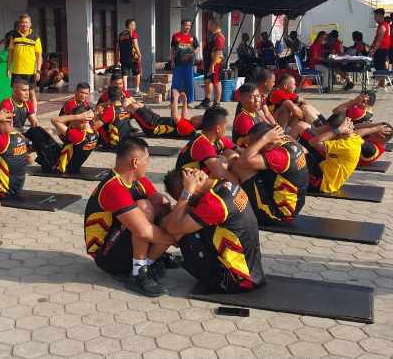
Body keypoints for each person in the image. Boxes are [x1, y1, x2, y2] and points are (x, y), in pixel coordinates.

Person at [83, 138, 175, 296]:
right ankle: (138, 273)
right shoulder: (113, 187)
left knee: (161, 203)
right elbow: (143, 231)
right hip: (106, 255)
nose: (148, 163)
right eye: (147, 159)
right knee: (143, 208)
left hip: (121, 236)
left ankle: (152, 258)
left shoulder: (139, 181)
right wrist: (176, 238)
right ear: (135, 162)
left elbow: (162, 205)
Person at [162, 168, 265, 292]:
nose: (196, 170)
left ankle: (148, 263)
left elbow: (172, 227)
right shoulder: (226, 184)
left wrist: (185, 195)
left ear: (191, 188)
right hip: (253, 273)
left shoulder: (214, 203)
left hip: (234, 280)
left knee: (173, 225)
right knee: (182, 215)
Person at [232, 123, 308, 225]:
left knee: (239, 167)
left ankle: (232, 202)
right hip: (293, 206)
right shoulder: (286, 141)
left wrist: (264, 139)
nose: (251, 147)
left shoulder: (280, 156)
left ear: (268, 142)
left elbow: (243, 162)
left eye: (256, 145)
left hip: (279, 214)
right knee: (240, 157)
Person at [27, 106, 99, 174]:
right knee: (43, 133)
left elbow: (54, 120)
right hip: (71, 166)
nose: (71, 123)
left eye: (73, 120)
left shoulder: (79, 136)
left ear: (83, 120)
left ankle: (23, 153)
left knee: (35, 131)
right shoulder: (95, 133)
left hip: (56, 167)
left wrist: (77, 116)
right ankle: (28, 150)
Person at [302, 116, 361, 194]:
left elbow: (312, 142)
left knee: (297, 153)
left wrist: (337, 130)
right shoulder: (354, 138)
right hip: (324, 170)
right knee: (301, 148)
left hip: (322, 183)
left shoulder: (343, 145)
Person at [175, 107, 237, 181]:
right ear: (218, 129)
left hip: (199, 176)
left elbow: (239, 150)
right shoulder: (201, 143)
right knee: (223, 163)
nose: (226, 130)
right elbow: (220, 173)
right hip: (186, 183)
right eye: (225, 127)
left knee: (231, 154)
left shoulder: (217, 138)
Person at [125, 90, 199, 139]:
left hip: (152, 127)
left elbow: (175, 116)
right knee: (137, 103)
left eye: (199, 117)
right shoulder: (190, 125)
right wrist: (185, 101)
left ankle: (123, 125)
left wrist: (175, 98)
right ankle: (128, 119)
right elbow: (185, 117)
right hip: (156, 119)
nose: (197, 116)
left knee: (130, 105)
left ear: (198, 124)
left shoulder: (189, 129)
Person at [6, 14, 43, 111]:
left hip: (30, 72)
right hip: (17, 71)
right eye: (22, 22)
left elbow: (39, 56)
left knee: (31, 94)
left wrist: (38, 71)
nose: (24, 24)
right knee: (16, 94)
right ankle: (16, 114)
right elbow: (10, 53)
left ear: (30, 24)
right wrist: (8, 67)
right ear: (19, 24)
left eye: (26, 22)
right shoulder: (14, 36)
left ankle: (33, 114)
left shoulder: (35, 37)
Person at [197, 18, 226, 109]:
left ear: (214, 25)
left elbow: (218, 52)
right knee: (207, 81)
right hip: (208, 62)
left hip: (215, 64)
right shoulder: (212, 35)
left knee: (216, 81)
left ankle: (217, 103)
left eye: (209, 24)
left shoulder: (219, 37)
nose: (208, 26)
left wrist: (212, 65)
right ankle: (207, 101)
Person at [170, 20, 199, 103]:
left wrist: (191, 54)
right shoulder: (175, 36)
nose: (188, 27)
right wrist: (172, 61)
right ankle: (174, 101)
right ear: (182, 25)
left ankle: (189, 101)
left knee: (189, 83)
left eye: (189, 25)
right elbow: (172, 49)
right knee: (176, 83)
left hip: (189, 64)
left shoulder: (192, 36)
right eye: (186, 25)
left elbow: (197, 47)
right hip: (178, 63)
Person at [232, 82, 263, 147]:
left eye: (258, 96)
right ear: (242, 100)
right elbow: (252, 142)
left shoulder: (255, 113)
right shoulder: (243, 118)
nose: (257, 100)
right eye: (252, 97)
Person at [117, 19, 142, 94]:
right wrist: (139, 54)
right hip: (133, 58)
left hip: (124, 58)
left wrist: (118, 57)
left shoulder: (121, 35)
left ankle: (125, 90)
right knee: (137, 73)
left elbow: (117, 47)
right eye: (133, 25)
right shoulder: (133, 33)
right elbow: (135, 45)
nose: (135, 26)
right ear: (130, 25)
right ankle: (137, 89)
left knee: (124, 74)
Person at [369, 8, 391, 87]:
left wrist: (373, 50)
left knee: (379, 67)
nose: (374, 18)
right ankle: (381, 82)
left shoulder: (383, 26)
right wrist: (372, 46)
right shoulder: (383, 25)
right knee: (380, 66)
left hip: (381, 49)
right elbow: (376, 38)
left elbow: (379, 40)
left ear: (380, 16)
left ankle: (382, 83)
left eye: (375, 16)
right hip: (383, 49)